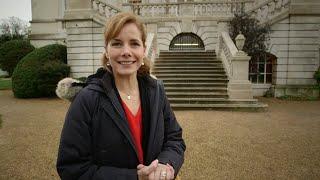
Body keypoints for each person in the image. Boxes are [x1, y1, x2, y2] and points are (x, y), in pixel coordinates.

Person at [56, 12, 186, 180]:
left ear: (143, 50)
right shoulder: (87, 100)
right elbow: (72, 168)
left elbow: (174, 139)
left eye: (134, 44)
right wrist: (134, 177)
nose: (126, 51)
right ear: (107, 50)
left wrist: (165, 164)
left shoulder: (157, 92)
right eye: (117, 44)